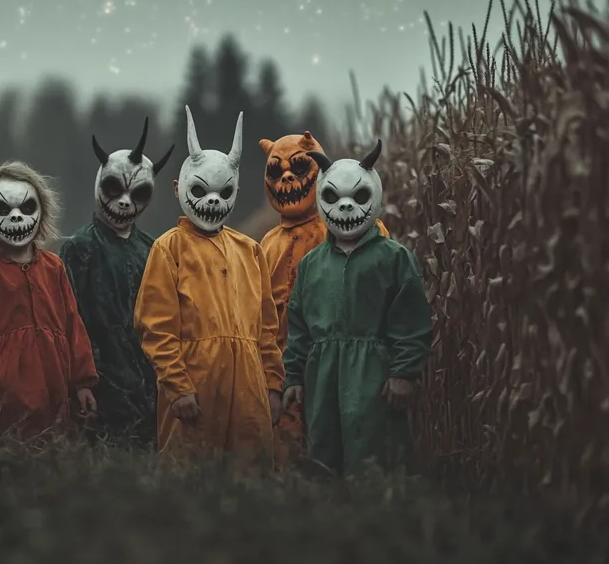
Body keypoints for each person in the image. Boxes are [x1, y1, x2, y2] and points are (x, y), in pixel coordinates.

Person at [134, 106, 283, 470]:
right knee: (190, 481)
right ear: (177, 188)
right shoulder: (168, 249)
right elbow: (156, 328)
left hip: (250, 394)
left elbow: (266, 329)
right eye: (201, 190)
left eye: (223, 191)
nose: (213, 201)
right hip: (194, 393)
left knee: (250, 481)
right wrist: (178, 385)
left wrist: (274, 385)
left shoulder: (250, 251)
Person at [282, 140, 431, 475]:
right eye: (335, 198)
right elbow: (299, 327)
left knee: (374, 457)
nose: (346, 208)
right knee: (323, 457)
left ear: (373, 195)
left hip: (374, 377)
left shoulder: (393, 258)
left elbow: (412, 320)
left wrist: (404, 373)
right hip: (322, 379)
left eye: (358, 197)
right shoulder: (311, 265)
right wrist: (294, 376)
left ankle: (375, 520)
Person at [258, 132, 389, 467]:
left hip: (347, 363)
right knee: (290, 457)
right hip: (287, 368)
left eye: (299, 168)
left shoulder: (354, 233)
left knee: (344, 448)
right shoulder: (265, 246)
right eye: (276, 172)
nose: (287, 178)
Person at [0, 161, 99, 445]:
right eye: (5, 210)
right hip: (1, 402)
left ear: (41, 211)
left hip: (52, 397)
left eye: (26, 208)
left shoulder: (53, 268)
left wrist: (83, 383)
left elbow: (73, 327)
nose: (16, 218)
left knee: (51, 469)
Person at [59, 118, 173, 446]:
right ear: (100, 185)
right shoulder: (79, 248)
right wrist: (80, 381)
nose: (124, 202)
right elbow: (69, 319)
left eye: (136, 194)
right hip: (98, 383)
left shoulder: (153, 250)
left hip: (146, 384)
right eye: (115, 189)